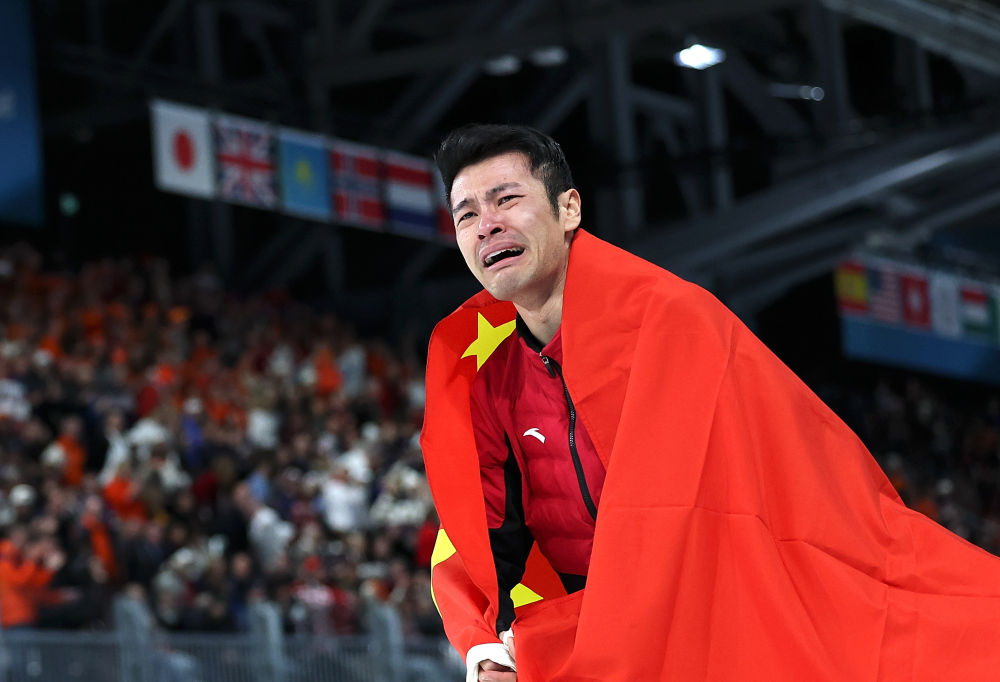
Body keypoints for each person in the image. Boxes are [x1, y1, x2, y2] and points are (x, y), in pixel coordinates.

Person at [419, 123, 1000, 682]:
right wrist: (482, 645)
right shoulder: (487, 385)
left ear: (569, 208)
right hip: (605, 638)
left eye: (506, 200)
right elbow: (476, 540)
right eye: (466, 214)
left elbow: (778, 501)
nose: (486, 225)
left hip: (724, 613)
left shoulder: (674, 322)